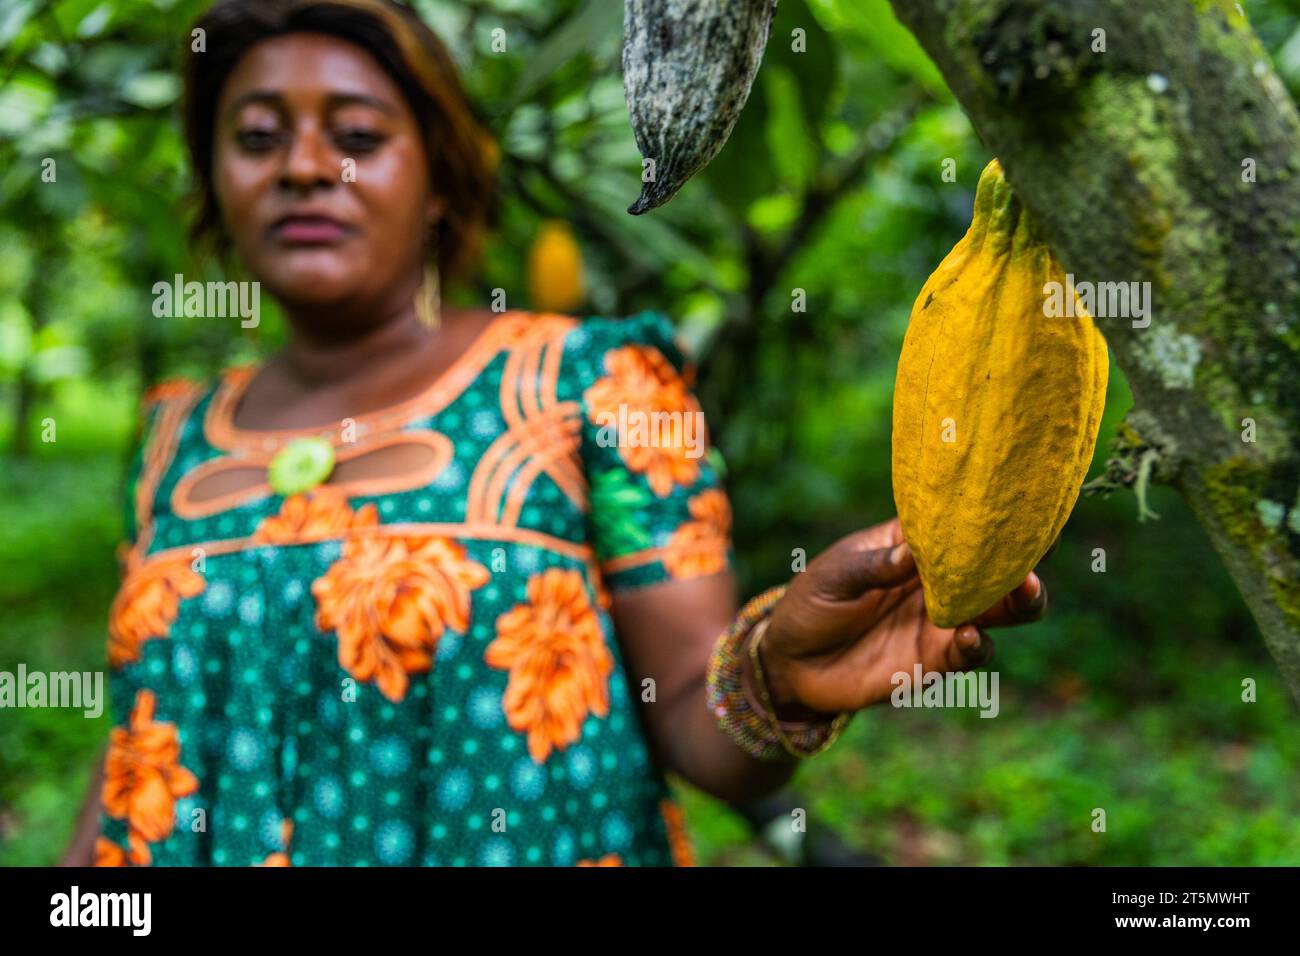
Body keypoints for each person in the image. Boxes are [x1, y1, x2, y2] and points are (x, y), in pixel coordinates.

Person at [61, 0, 1046, 867]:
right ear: (213, 179)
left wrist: (778, 673)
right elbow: (139, 743)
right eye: (257, 137)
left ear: (440, 179)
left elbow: (688, 716)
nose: (306, 166)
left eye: (357, 133)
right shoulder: (172, 432)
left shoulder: (590, 382)